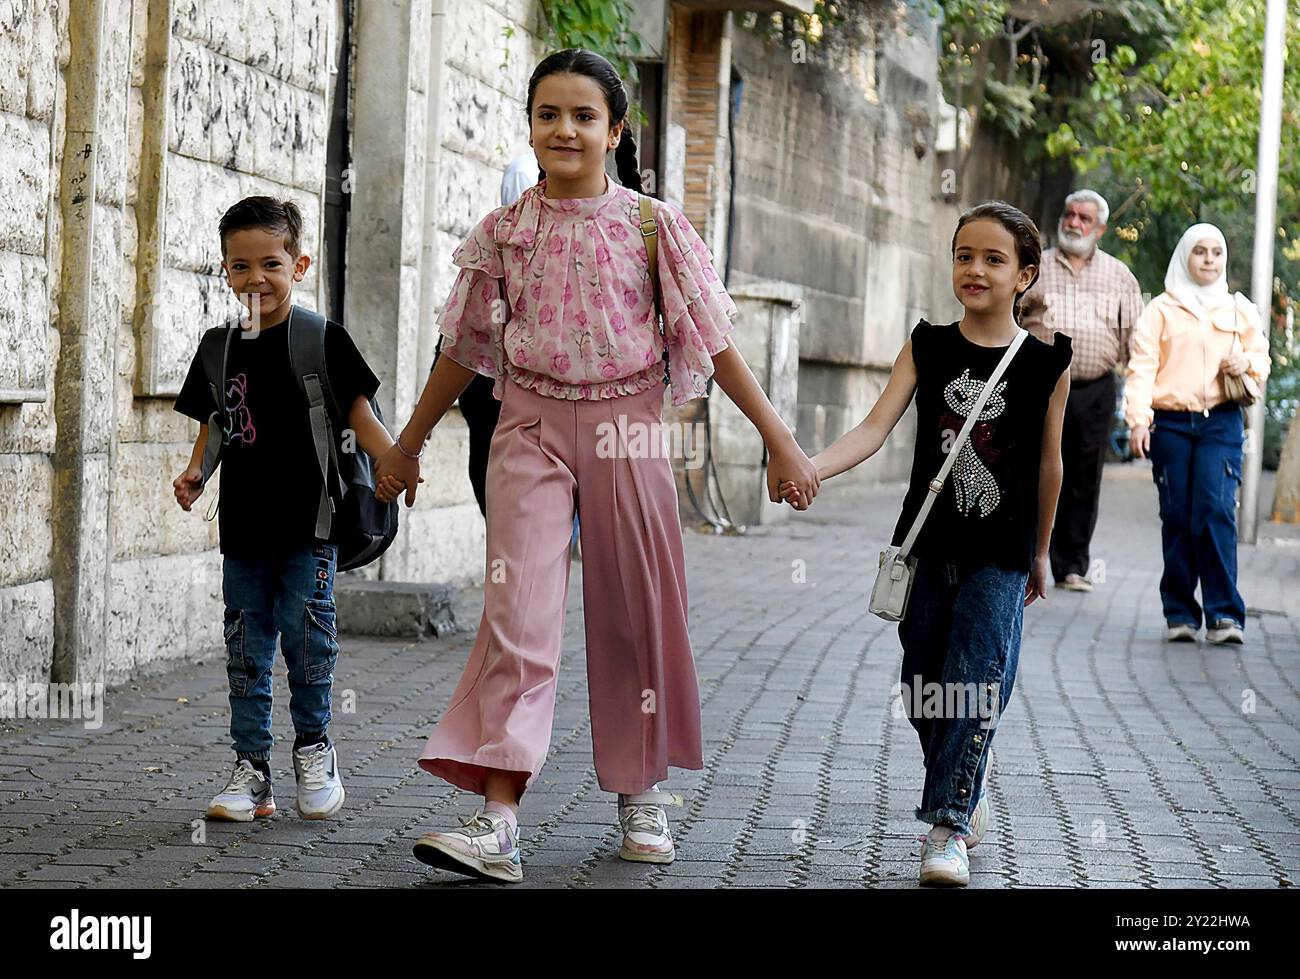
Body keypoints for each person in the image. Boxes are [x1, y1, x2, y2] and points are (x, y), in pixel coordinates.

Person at [374, 49, 820, 883]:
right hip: (529, 429)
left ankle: (640, 793)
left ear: (616, 130)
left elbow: (715, 344)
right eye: (549, 115)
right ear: (532, 128)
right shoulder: (502, 233)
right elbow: (462, 351)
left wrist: (778, 438)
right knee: (520, 613)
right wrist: (408, 442)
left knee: (636, 613)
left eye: (584, 116)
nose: (566, 129)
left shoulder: (654, 225)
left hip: (629, 428)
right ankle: (498, 817)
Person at [781, 202, 1071, 887]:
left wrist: (1041, 551)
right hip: (923, 545)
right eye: (964, 254)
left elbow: (1050, 463)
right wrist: (812, 466)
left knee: (973, 682)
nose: (975, 269)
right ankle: (969, 769)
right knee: (923, 690)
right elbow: (875, 426)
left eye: (994, 259)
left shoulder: (1045, 362)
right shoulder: (927, 345)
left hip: (1000, 552)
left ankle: (949, 826)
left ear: (1024, 274)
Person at [171, 197, 391, 822]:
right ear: (226, 271)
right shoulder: (218, 348)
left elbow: (358, 415)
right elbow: (217, 421)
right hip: (242, 529)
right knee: (245, 645)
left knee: (306, 637)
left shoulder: (321, 339)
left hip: (310, 525)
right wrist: (196, 472)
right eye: (241, 267)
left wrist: (396, 461)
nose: (255, 279)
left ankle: (315, 749)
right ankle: (252, 772)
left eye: (270, 263)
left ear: (299, 266)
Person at [1125, 223, 1270, 645]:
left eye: (1217, 252)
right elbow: (1142, 368)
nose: (1209, 260)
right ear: (1184, 257)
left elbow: (1261, 361)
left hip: (1221, 422)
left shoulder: (1240, 309)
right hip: (1170, 424)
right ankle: (1180, 613)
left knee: (1215, 510)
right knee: (1177, 515)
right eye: (1200, 252)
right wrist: (1137, 418)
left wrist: (1246, 364)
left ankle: (1225, 615)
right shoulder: (1161, 311)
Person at [1020, 190, 1143, 593]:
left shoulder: (1119, 275)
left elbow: (1134, 340)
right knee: (1029, 468)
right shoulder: (1035, 268)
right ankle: (1023, 556)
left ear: (1100, 229)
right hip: (1039, 384)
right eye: (1069, 214)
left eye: (1084, 218)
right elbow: (1012, 317)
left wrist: (1141, 403)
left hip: (1094, 389)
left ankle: (1072, 565)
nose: (1073, 222)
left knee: (1084, 476)